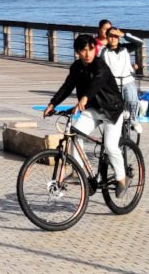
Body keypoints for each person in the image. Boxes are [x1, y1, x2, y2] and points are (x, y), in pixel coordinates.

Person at [47, 33, 127, 188]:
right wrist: (53, 103)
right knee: (75, 134)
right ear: (77, 51)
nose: (87, 53)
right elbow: (67, 86)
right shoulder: (76, 67)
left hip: (112, 109)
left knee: (110, 146)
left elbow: (96, 82)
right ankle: (79, 172)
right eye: (83, 50)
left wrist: (84, 98)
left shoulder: (100, 65)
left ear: (94, 49)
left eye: (91, 49)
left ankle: (122, 178)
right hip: (93, 109)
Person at [101, 28, 142, 137]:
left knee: (132, 100)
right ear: (107, 37)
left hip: (127, 80)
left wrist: (124, 35)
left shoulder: (125, 48)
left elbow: (139, 43)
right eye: (110, 36)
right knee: (113, 106)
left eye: (115, 36)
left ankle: (134, 120)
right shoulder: (104, 51)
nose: (113, 38)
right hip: (113, 83)